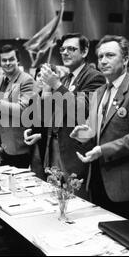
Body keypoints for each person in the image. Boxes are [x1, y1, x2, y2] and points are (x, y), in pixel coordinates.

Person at [70, 35, 129, 220]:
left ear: (126, 59)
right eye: (100, 56)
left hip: (124, 184)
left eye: (110, 55)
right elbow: (96, 128)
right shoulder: (99, 92)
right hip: (96, 180)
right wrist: (84, 133)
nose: (103, 61)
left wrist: (103, 150)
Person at [39, 33, 106, 198]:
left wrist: (56, 85)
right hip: (55, 147)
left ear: (84, 52)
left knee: (75, 202)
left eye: (71, 49)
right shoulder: (67, 78)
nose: (65, 52)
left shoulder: (94, 76)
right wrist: (47, 89)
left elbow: (83, 111)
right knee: (56, 200)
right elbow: (49, 116)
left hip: (74, 153)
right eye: (62, 49)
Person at [0, 45, 35, 168]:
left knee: (19, 185)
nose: (8, 63)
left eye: (11, 59)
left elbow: (23, 109)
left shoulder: (27, 80)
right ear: (0, 62)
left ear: (17, 60)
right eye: (4, 60)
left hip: (17, 145)